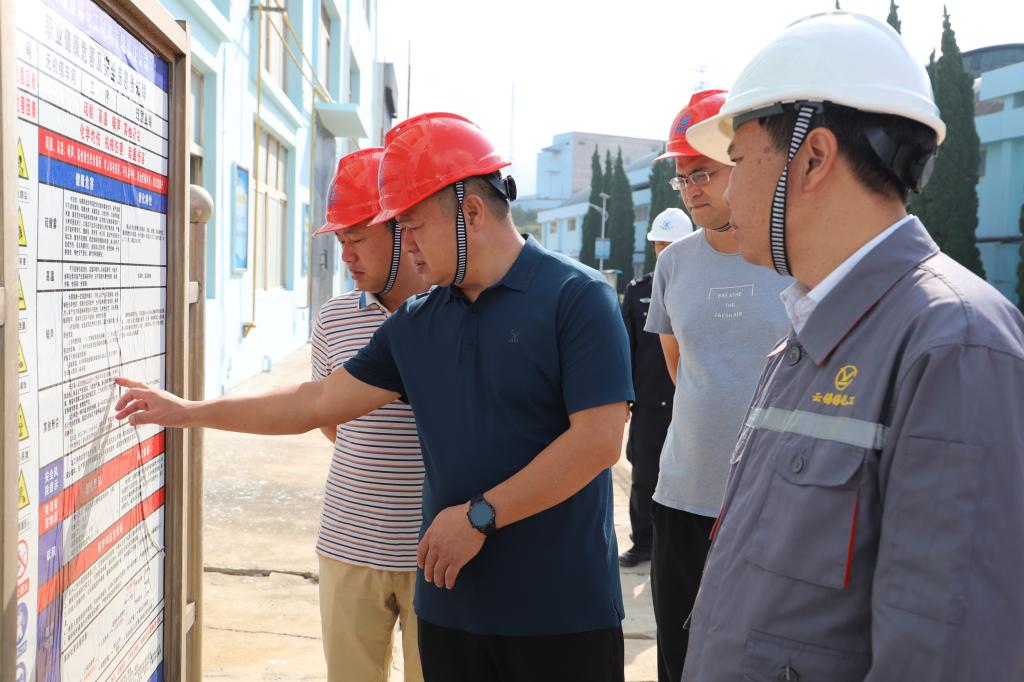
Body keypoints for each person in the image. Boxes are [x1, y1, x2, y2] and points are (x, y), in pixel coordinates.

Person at [114, 112, 632, 682]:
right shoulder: (418, 323)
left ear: (472, 213)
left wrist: (479, 517)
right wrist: (188, 411)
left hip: (559, 613)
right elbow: (314, 403)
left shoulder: (576, 298)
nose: (407, 245)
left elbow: (598, 442)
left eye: (413, 226)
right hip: (451, 609)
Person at [680, 11, 1024, 680]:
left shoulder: (954, 344)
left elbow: (945, 657)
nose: (726, 189)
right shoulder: (813, 330)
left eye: (738, 162)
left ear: (812, 158)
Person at [645, 90, 791, 682]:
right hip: (682, 498)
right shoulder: (673, 264)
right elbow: (682, 369)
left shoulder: (794, 257)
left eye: (702, 172)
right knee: (678, 660)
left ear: (745, 161)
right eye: (682, 178)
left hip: (772, 506)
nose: (691, 189)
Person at [309, 148, 426, 681]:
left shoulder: (453, 313)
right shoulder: (334, 319)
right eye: (340, 241)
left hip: (437, 554)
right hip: (348, 547)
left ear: (402, 229)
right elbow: (329, 419)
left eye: (357, 237)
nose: (346, 255)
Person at [618, 208, 691, 568]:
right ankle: (643, 543)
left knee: (688, 479)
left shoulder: (701, 287)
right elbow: (624, 347)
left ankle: (676, 548)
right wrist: (622, 398)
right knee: (644, 477)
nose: (665, 251)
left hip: (689, 404)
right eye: (660, 244)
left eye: (671, 244)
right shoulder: (638, 291)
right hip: (647, 404)